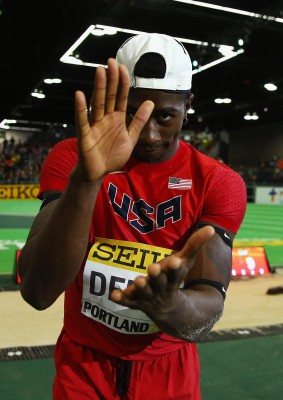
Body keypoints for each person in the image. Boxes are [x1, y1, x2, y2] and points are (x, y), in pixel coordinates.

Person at [18, 32, 247, 399]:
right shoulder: (71, 159)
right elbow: (37, 291)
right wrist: (86, 180)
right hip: (84, 368)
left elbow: (204, 317)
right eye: (133, 117)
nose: (149, 134)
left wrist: (171, 306)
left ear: (189, 104)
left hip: (168, 371)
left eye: (166, 116)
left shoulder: (218, 183)